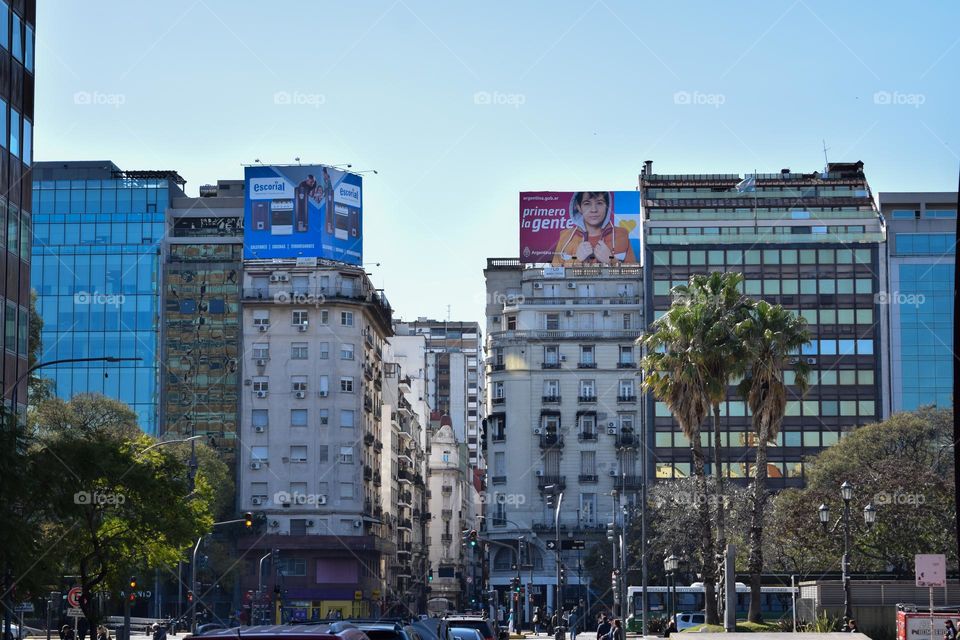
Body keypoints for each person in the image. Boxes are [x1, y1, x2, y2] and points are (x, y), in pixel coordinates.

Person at [552, 192, 637, 266]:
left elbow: (634, 272)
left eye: (599, 203)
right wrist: (576, 258)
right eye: (587, 203)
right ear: (578, 207)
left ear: (607, 206)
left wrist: (610, 260)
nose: (594, 210)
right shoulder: (565, 236)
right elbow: (554, 272)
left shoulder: (622, 234)